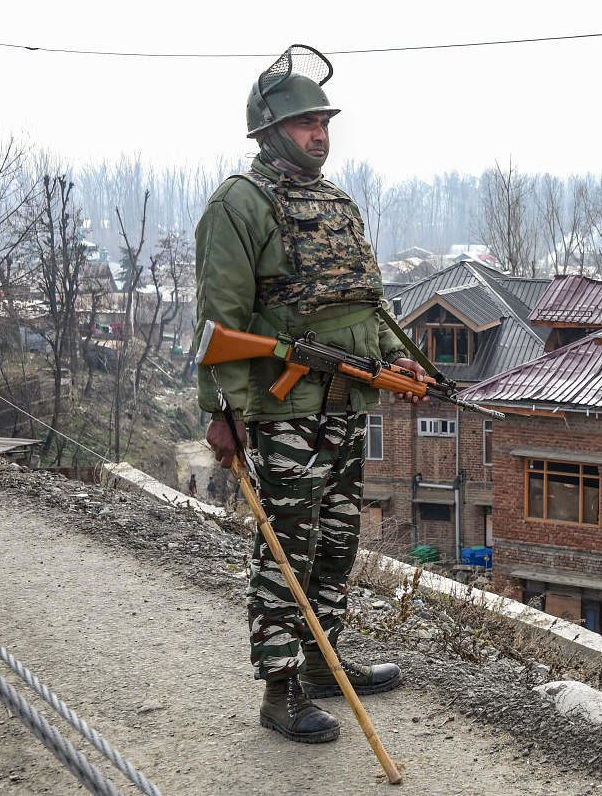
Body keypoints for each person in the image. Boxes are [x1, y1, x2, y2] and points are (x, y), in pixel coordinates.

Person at [193, 44, 425, 745]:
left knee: (335, 542)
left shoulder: (337, 200)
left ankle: (324, 660)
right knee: (285, 549)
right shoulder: (239, 203)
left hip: (348, 401)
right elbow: (219, 320)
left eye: (323, 121)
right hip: (284, 410)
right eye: (304, 123)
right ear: (269, 130)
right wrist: (221, 413)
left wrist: (398, 360)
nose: (319, 133)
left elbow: (367, 302)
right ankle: (280, 686)